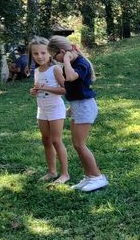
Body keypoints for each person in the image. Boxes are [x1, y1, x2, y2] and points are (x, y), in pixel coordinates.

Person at [47, 36, 108, 192]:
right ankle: (89, 176)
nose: (55, 60)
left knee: (80, 145)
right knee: (77, 145)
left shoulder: (80, 63)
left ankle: (97, 177)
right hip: (78, 106)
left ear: (62, 51)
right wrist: (71, 107)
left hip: (85, 106)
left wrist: (66, 60)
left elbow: (71, 77)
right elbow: (71, 87)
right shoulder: (71, 64)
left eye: (55, 56)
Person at [28, 37, 70, 185]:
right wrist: (34, 91)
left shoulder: (55, 69)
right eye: (35, 53)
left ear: (50, 53)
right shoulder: (36, 71)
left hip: (55, 109)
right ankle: (52, 171)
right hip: (42, 110)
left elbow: (65, 89)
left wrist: (46, 88)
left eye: (43, 53)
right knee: (46, 140)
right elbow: (39, 88)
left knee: (56, 141)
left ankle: (65, 174)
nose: (39, 56)